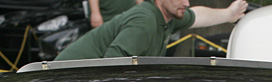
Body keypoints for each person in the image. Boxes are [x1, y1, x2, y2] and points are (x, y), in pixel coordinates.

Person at [57, 0, 247, 61]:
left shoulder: (170, 16)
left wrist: (228, 14)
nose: (186, 3)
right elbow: (111, 65)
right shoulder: (144, 22)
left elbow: (198, 16)